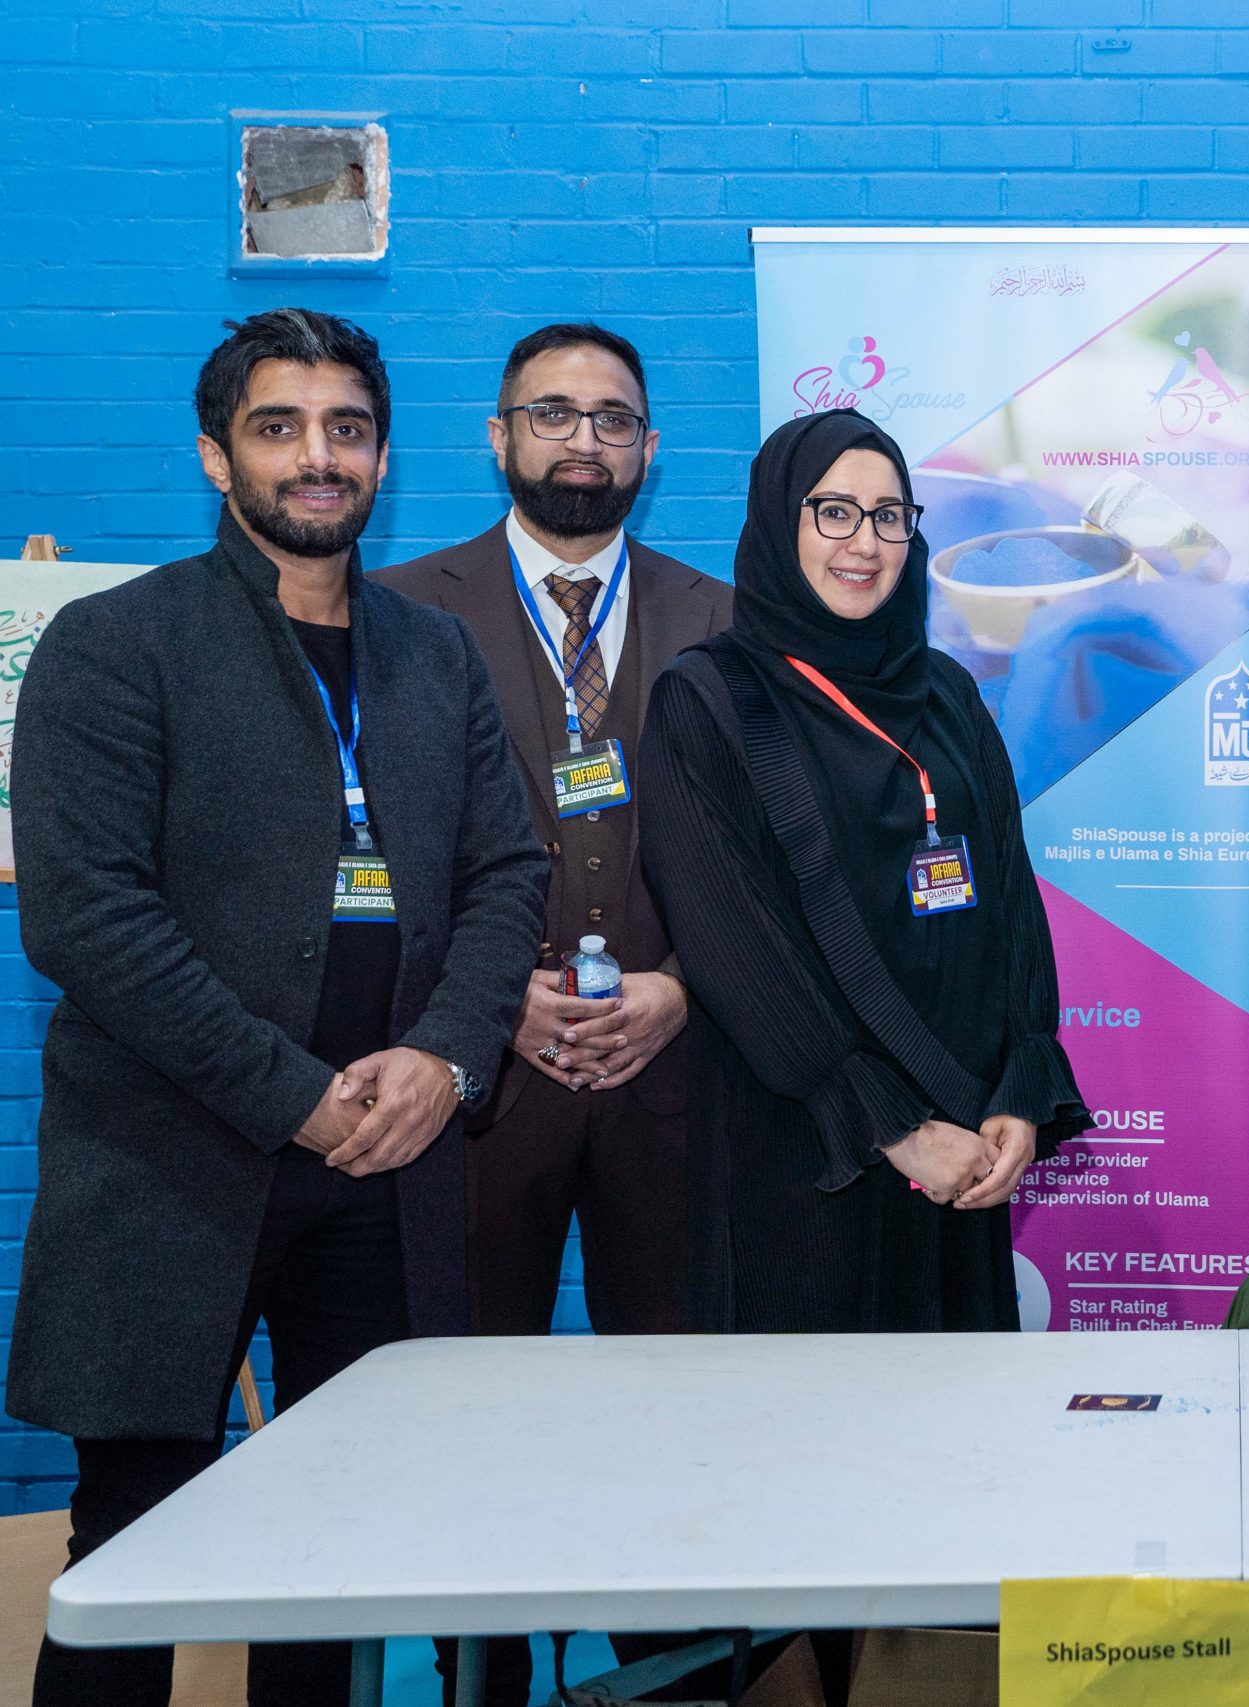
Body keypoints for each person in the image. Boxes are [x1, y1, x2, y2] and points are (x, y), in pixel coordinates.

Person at [6, 308, 546, 1707]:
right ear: (216, 454)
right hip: (169, 1167)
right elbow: (87, 917)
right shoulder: (114, 644)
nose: (319, 456)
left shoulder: (435, 655)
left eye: (347, 429)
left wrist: (445, 1058)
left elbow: (507, 873)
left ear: (383, 456)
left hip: (385, 1173)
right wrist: (295, 1095)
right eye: (280, 426)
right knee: (132, 1547)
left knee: (334, 1551)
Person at [377, 323, 729, 1707]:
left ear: (650, 447)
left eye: (613, 419)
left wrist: (682, 984)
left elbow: (775, 858)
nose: (585, 441)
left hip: (677, 1086)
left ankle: (677, 1674)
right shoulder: (400, 611)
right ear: (498, 434)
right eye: (554, 413)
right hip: (476, 1091)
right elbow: (367, 847)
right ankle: (485, 1674)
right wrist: (483, 1003)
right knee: (470, 1405)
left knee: (682, 1409)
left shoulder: (726, 618)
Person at [640, 408, 1089, 1336]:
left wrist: (1018, 1085)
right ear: (779, 523)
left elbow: (1010, 895)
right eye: (834, 511)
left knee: (957, 1412)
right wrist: (896, 1128)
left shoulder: (947, 690)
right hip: (810, 1147)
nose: (866, 542)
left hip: (966, 1137)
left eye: (889, 515)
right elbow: (735, 948)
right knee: (813, 1415)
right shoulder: (709, 697)